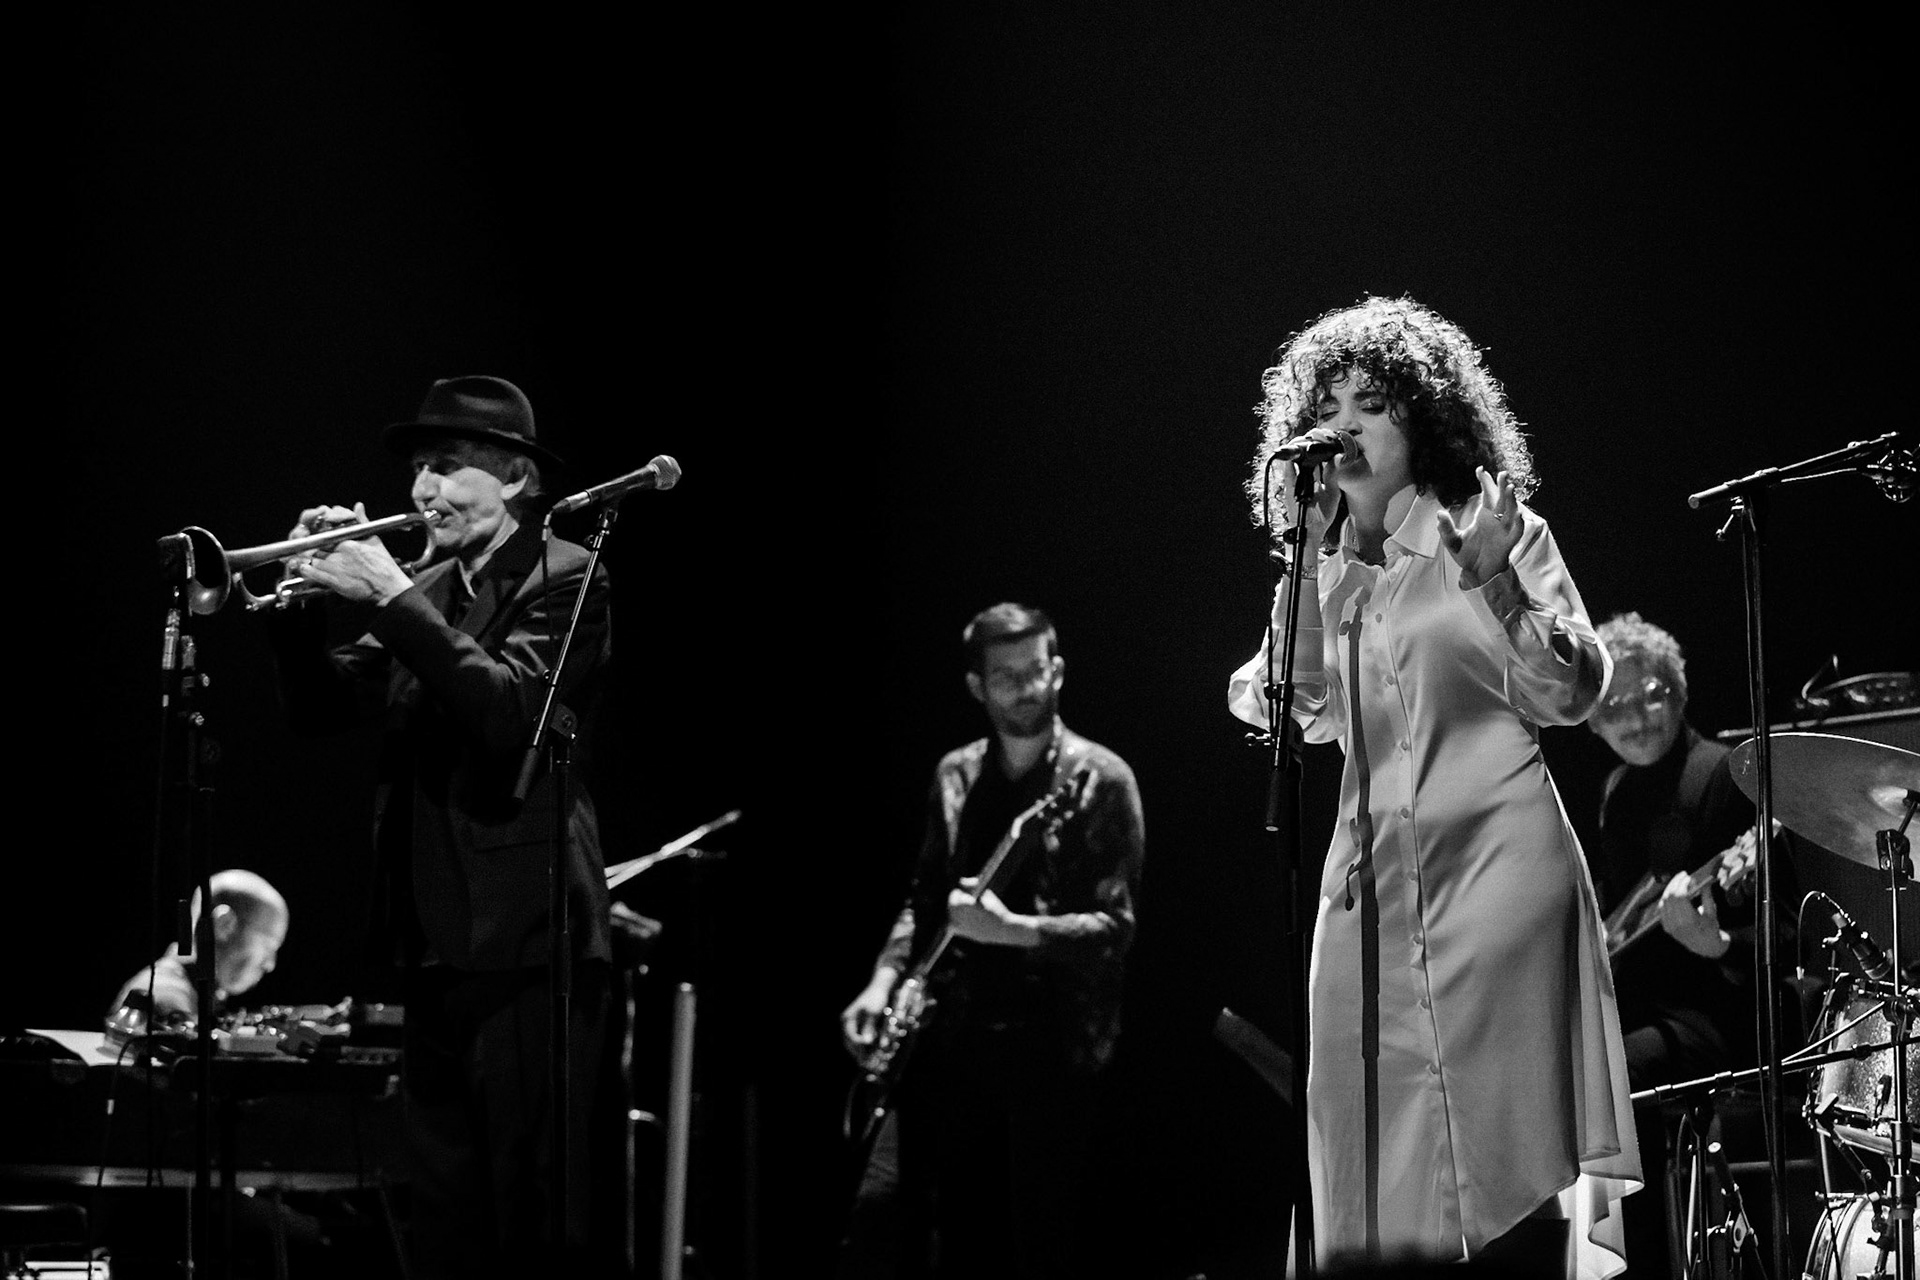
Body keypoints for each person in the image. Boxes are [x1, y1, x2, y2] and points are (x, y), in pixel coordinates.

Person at [1227, 297, 1639, 1277]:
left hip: (1502, 875)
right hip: (1366, 889)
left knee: (1506, 1150)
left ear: (1426, 416)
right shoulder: (1322, 564)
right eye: (1328, 405)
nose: (1349, 423)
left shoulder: (1496, 529)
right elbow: (1285, 700)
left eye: (1374, 401)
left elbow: (1575, 690)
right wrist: (1306, 565)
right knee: (1365, 1159)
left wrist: (1499, 586)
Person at [267, 375, 613, 1277]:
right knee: (447, 1216)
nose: (423, 489)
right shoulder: (425, 586)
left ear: (515, 481)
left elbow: (508, 717)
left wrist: (390, 596)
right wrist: (300, 613)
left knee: (532, 1212)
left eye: (448, 466)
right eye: (420, 467)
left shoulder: (568, 574)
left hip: (527, 941)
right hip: (430, 938)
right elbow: (321, 711)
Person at [839, 602, 1146, 1279]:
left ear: (1058, 670)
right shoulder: (954, 774)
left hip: (1054, 1048)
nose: (1025, 687)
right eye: (1005, 676)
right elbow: (925, 902)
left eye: (1036, 670)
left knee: (1036, 1245)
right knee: (906, 1228)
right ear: (977, 686)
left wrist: (1015, 932)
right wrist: (883, 981)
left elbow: (1115, 931)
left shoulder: (1102, 779)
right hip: (950, 1039)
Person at [1588, 611, 1770, 1276]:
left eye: (1652, 696)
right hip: (1635, 1013)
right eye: (1615, 707)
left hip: (1714, 1020)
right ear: (1590, 718)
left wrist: (1717, 943)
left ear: (1679, 690)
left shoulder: (1723, 774)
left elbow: (1780, 941)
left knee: (1610, 1079)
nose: (1637, 720)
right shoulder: (1614, 792)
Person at [107, 868, 289, 1026]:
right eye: (268, 945)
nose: (270, 964)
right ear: (224, 926)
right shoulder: (168, 1001)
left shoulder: (196, 995)